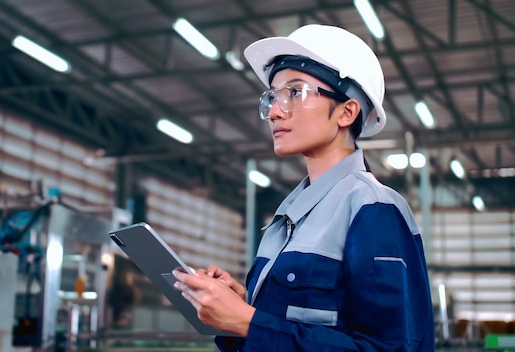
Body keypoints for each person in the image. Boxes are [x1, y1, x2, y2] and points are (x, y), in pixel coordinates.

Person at [171, 24, 435, 351]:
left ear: (346, 111)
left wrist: (248, 322)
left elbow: (388, 348)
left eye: (295, 92)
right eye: (272, 96)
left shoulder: (373, 208)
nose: (275, 111)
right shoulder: (287, 217)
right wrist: (244, 306)